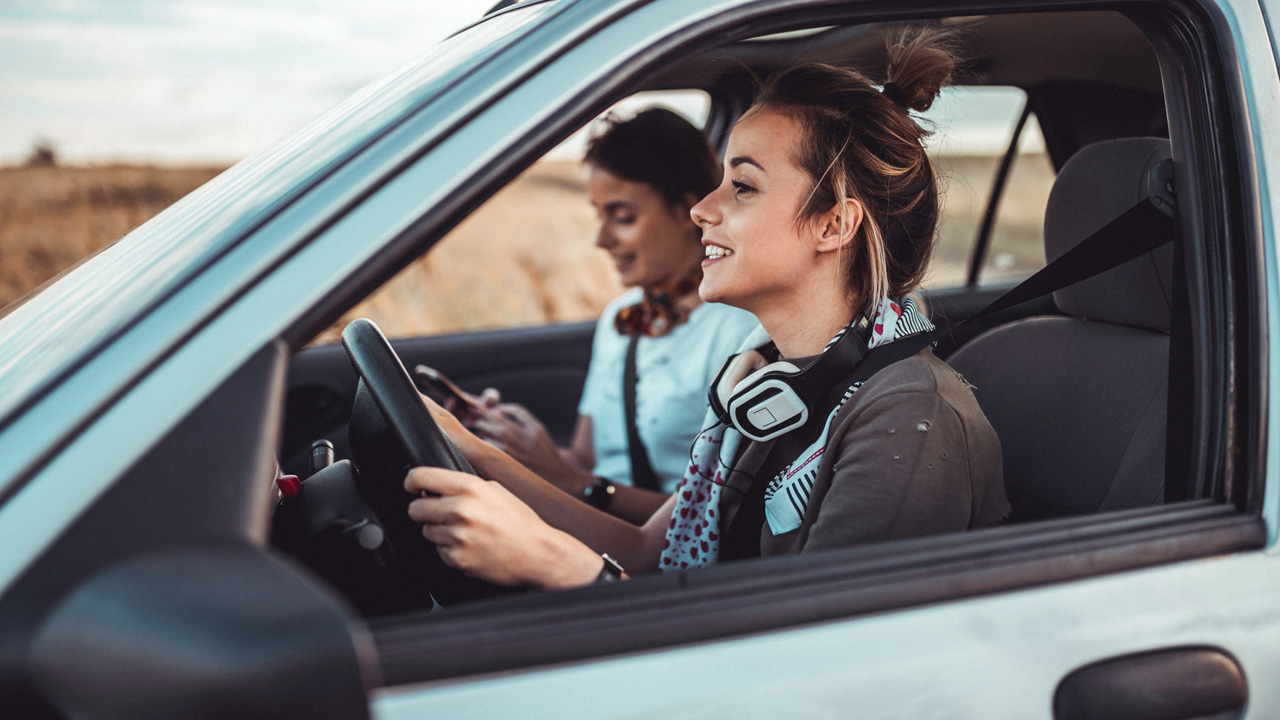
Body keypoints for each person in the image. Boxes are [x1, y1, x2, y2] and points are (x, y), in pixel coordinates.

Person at [405, 29, 1010, 589]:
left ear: (834, 224)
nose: (702, 209)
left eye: (742, 186)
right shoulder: (767, 382)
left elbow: (804, 670)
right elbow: (645, 554)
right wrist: (473, 450)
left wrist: (554, 563)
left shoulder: (908, 416)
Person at [463, 109, 758, 524]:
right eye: (599, 215)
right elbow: (585, 458)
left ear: (688, 209)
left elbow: (717, 516)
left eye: (623, 217)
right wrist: (513, 444)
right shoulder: (621, 317)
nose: (602, 240)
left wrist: (569, 480)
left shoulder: (740, 330)